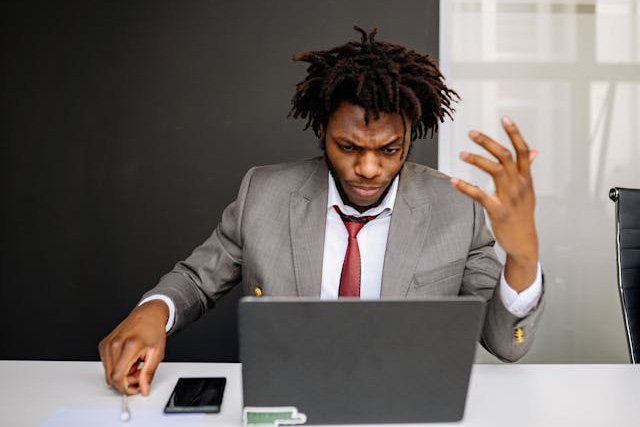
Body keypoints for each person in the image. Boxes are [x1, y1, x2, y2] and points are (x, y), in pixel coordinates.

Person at [99, 26, 544, 397]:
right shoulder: (265, 194)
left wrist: (522, 259)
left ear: (411, 136)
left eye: (389, 150)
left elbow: (507, 344)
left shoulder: (456, 206)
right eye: (348, 147)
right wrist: (151, 313)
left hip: (407, 409)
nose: (368, 169)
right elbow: (197, 279)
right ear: (322, 131)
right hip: (289, 403)